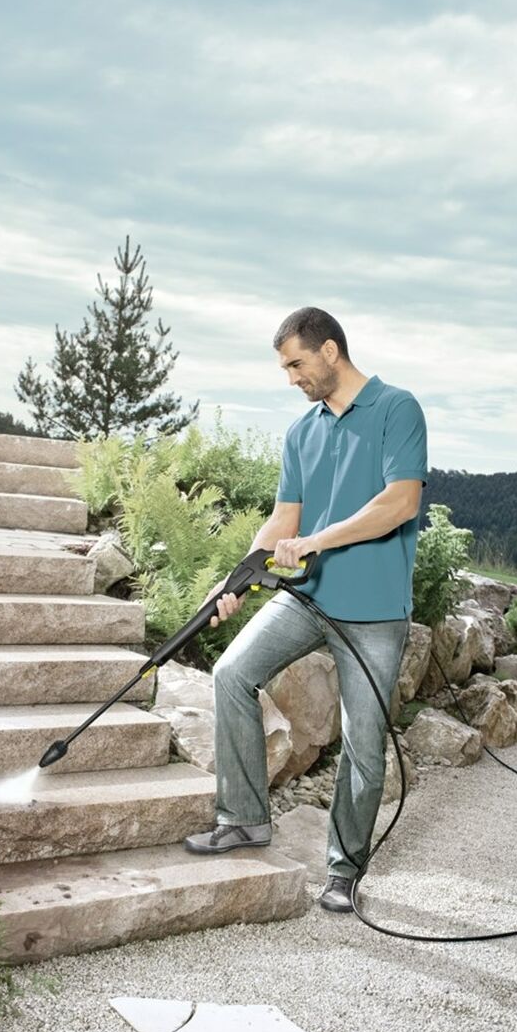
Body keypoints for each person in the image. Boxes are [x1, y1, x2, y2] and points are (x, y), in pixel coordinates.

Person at [183, 307, 428, 914]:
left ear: (330, 351)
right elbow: (283, 520)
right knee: (232, 673)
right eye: (285, 368)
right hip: (308, 598)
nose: (292, 377)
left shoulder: (397, 409)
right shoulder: (301, 433)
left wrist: (317, 541)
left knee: (363, 741)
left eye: (296, 364)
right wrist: (235, 580)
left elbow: (400, 502)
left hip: (374, 613)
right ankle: (243, 819)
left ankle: (344, 870)